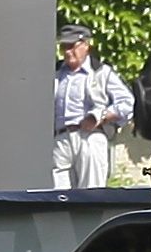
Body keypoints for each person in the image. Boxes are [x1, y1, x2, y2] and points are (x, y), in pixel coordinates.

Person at [51, 27, 135, 189]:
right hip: (61, 137)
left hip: (90, 136)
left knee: (90, 191)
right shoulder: (56, 72)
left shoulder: (101, 72)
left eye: (71, 46)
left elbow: (127, 103)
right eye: (64, 47)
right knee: (56, 190)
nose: (67, 52)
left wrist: (101, 116)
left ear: (85, 45)